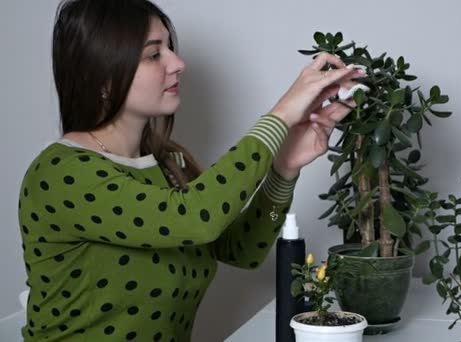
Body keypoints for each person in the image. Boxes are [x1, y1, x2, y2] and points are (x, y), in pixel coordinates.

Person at [17, 0, 365, 341]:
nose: (178, 63)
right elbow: (196, 218)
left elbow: (240, 250)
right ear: (102, 77)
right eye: (154, 55)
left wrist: (284, 166)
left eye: (170, 48)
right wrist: (282, 115)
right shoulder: (61, 174)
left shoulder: (169, 162)